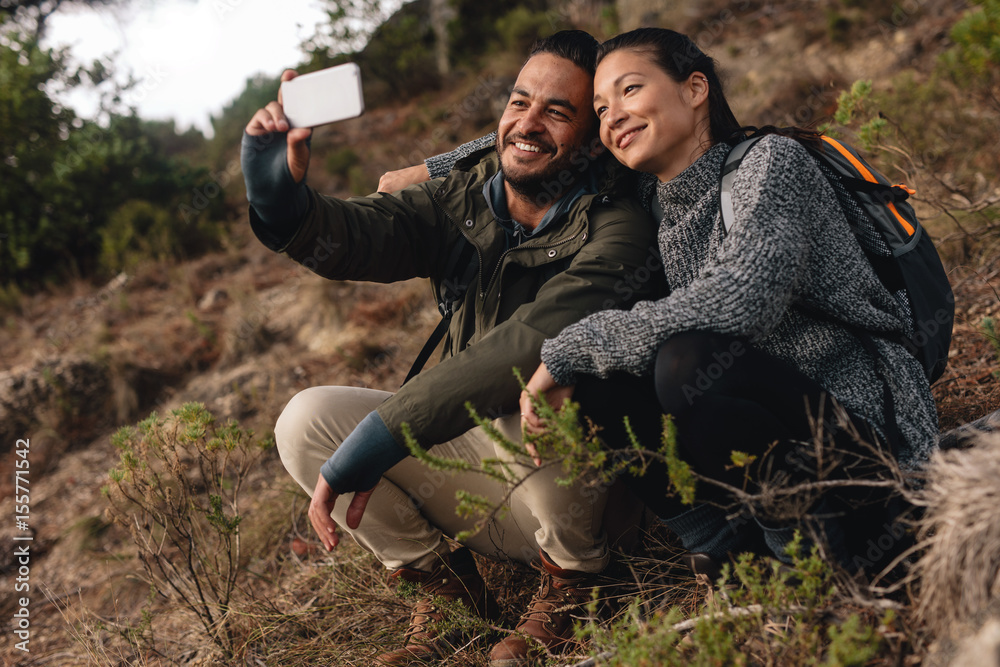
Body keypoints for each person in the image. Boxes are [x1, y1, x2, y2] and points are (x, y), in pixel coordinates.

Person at [408, 28, 939, 576]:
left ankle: (810, 556)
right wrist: (433, 170)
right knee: (600, 377)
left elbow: (739, 300)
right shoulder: (647, 196)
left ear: (694, 88)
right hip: (767, 441)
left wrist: (573, 347)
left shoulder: (770, 165)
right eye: (600, 108)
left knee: (684, 360)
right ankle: (720, 540)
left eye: (630, 90)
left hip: (863, 435)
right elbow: (536, 137)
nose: (613, 115)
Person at [241, 31, 664, 667]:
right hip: (481, 469)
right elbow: (359, 237)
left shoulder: (619, 228)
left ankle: (579, 585)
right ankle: (447, 593)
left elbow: (521, 348)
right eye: (520, 102)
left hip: (581, 492)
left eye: (558, 111)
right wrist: (279, 197)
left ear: (595, 136)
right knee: (306, 421)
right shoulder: (466, 196)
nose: (527, 124)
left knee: (553, 405)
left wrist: (382, 436)